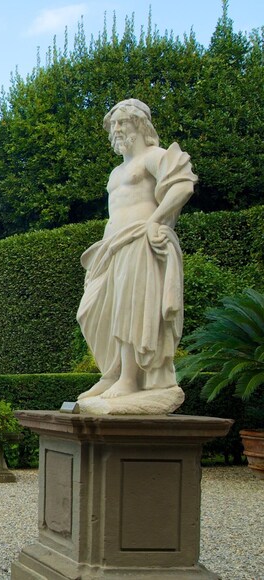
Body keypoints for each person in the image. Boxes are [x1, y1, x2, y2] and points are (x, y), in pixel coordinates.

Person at [77, 98, 196, 404]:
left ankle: (129, 379)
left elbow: (182, 185)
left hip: (139, 241)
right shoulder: (116, 172)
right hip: (110, 248)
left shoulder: (154, 156)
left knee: (129, 309)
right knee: (92, 310)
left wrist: (156, 220)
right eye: (113, 124)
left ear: (140, 125)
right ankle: (112, 372)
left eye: (122, 122)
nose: (116, 129)